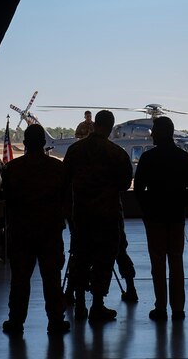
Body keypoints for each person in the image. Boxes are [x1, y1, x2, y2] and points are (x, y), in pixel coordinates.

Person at [1, 124, 71, 336]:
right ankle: (56, 320)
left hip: (22, 232)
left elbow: (8, 202)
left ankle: (16, 321)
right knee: (52, 278)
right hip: (50, 232)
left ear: (24, 143)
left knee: (20, 279)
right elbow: (67, 202)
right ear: (43, 143)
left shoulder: (12, 169)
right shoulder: (58, 168)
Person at [63, 110, 132, 323]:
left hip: (81, 215)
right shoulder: (117, 153)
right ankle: (97, 305)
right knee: (104, 259)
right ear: (110, 127)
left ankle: (80, 302)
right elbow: (124, 184)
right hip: (107, 216)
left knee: (80, 256)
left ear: (94, 125)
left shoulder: (75, 150)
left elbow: (65, 180)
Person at [134, 116, 188, 321]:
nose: (151, 134)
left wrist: (148, 208)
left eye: (154, 130)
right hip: (176, 216)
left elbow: (138, 189)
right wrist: (179, 204)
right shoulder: (185, 158)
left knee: (158, 264)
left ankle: (160, 307)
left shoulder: (148, 158)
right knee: (176, 262)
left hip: (154, 217)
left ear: (161, 132)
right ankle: (178, 308)